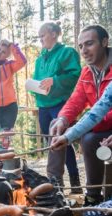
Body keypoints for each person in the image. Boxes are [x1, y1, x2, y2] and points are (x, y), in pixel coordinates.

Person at [49, 24, 111, 205]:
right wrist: (63, 119)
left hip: (103, 126)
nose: (84, 50)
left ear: (105, 42)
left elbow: (101, 110)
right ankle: (55, 187)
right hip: (96, 123)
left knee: (90, 139)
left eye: (89, 44)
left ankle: (93, 194)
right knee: (56, 124)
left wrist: (77, 130)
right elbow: (76, 101)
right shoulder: (86, 72)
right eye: (81, 46)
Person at [32, 21, 82, 193]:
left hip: (60, 104)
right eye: (39, 37)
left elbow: (75, 74)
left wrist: (55, 80)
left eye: (42, 35)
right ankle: (57, 184)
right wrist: (34, 87)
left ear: (54, 33)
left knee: (63, 142)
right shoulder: (40, 59)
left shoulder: (66, 52)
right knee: (52, 144)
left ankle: (75, 182)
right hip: (43, 106)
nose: (40, 40)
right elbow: (38, 80)